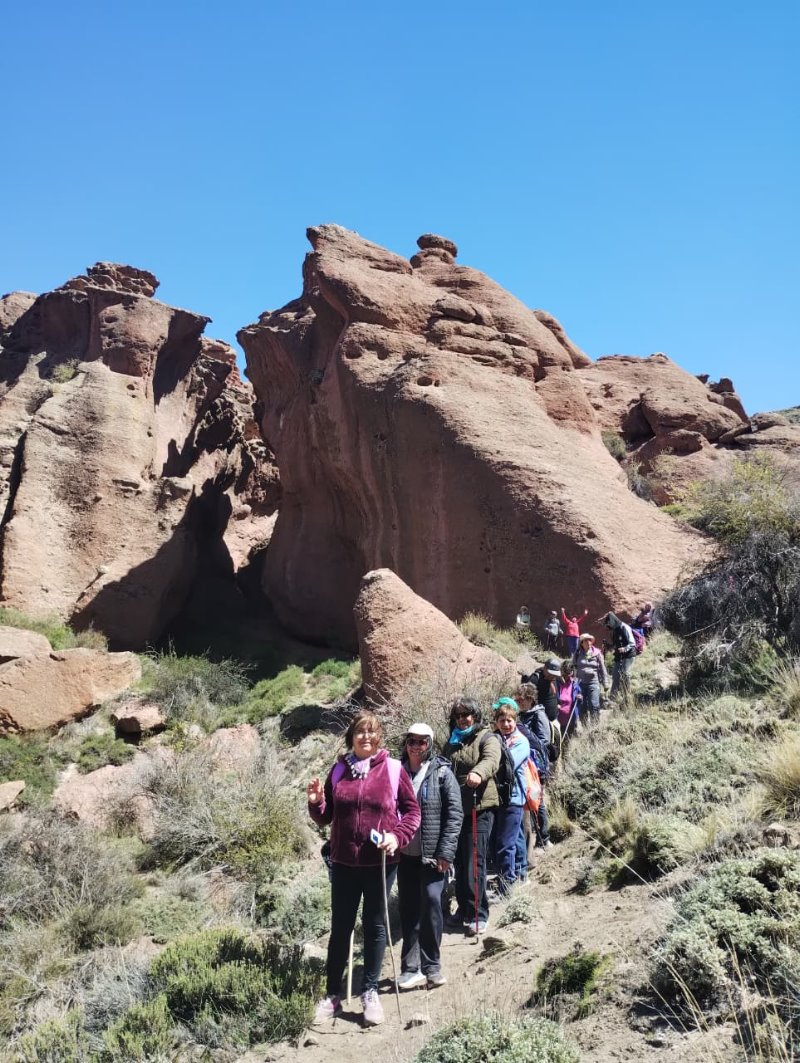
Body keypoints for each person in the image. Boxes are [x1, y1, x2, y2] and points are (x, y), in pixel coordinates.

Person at [307, 711, 421, 1027]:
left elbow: (412, 813)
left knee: (375, 927)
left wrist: (396, 837)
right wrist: (317, 802)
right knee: (341, 927)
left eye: (372, 732)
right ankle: (332, 995)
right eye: (360, 732)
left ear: (379, 737)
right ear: (351, 737)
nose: (366, 737)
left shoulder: (395, 769)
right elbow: (326, 815)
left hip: (380, 863)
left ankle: (370, 991)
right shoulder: (339, 770)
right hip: (344, 862)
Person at [396, 722, 463, 990]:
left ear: (430, 744)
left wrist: (446, 851)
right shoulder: (395, 772)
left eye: (422, 742)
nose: (415, 746)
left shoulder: (442, 773)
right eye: (411, 741)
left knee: (433, 904)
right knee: (409, 910)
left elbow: (454, 815)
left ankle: (432, 966)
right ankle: (410, 968)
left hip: (433, 856)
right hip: (404, 855)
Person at [443, 697, 501, 936]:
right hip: (457, 810)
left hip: (480, 807)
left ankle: (479, 913)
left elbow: (491, 761)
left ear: (475, 716)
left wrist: (478, 773)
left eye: (466, 715)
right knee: (458, 861)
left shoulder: (487, 737)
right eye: (458, 716)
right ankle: (464, 910)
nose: (462, 719)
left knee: (473, 862)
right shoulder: (453, 740)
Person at [490, 698, 530, 894]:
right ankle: (520, 873)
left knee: (505, 843)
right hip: (501, 796)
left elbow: (506, 765)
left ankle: (508, 884)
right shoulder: (497, 739)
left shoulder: (521, 741)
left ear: (515, 722)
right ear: (496, 722)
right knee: (516, 837)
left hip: (512, 796)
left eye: (510, 721)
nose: (506, 724)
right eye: (502, 720)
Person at [515, 683, 553, 863]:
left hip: (537, 766)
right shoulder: (521, 716)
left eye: (521, 699)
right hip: (527, 767)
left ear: (530, 699)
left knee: (538, 801)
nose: (518, 702)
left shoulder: (539, 715)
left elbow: (544, 741)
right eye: (517, 699)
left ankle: (544, 837)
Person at [572, 632, 609, 725]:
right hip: (580, 684)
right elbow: (573, 667)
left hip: (593, 682)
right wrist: (572, 683)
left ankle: (595, 726)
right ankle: (585, 726)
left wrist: (605, 682)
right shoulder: (577, 653)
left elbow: (602, 668)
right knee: (582, 706)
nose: (588, 642)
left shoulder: (597, 653)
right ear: (581, 643)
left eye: (590, 640)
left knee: (594, 704)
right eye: (586, 640)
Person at [604, 611, 637, 702]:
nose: (608, 626)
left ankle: (627, 695)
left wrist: (625, 649)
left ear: (613, 621)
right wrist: (608, 646)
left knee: (625, 674)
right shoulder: (614, 630)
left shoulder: (624, 627)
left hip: (628, 655)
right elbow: (615, 645)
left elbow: (632, 643)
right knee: (615, 675)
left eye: (609, 624)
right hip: (619, 656)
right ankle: (613, 697)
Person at [556, 660, 583, 742]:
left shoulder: (575, 684)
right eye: (564, 674)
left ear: (571, 672)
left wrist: (580, 698)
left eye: (568, 673)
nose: (566, 676)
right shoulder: (556, 683)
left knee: (567, 741)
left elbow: (580, 700)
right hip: (557, 719)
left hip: (570, 720)